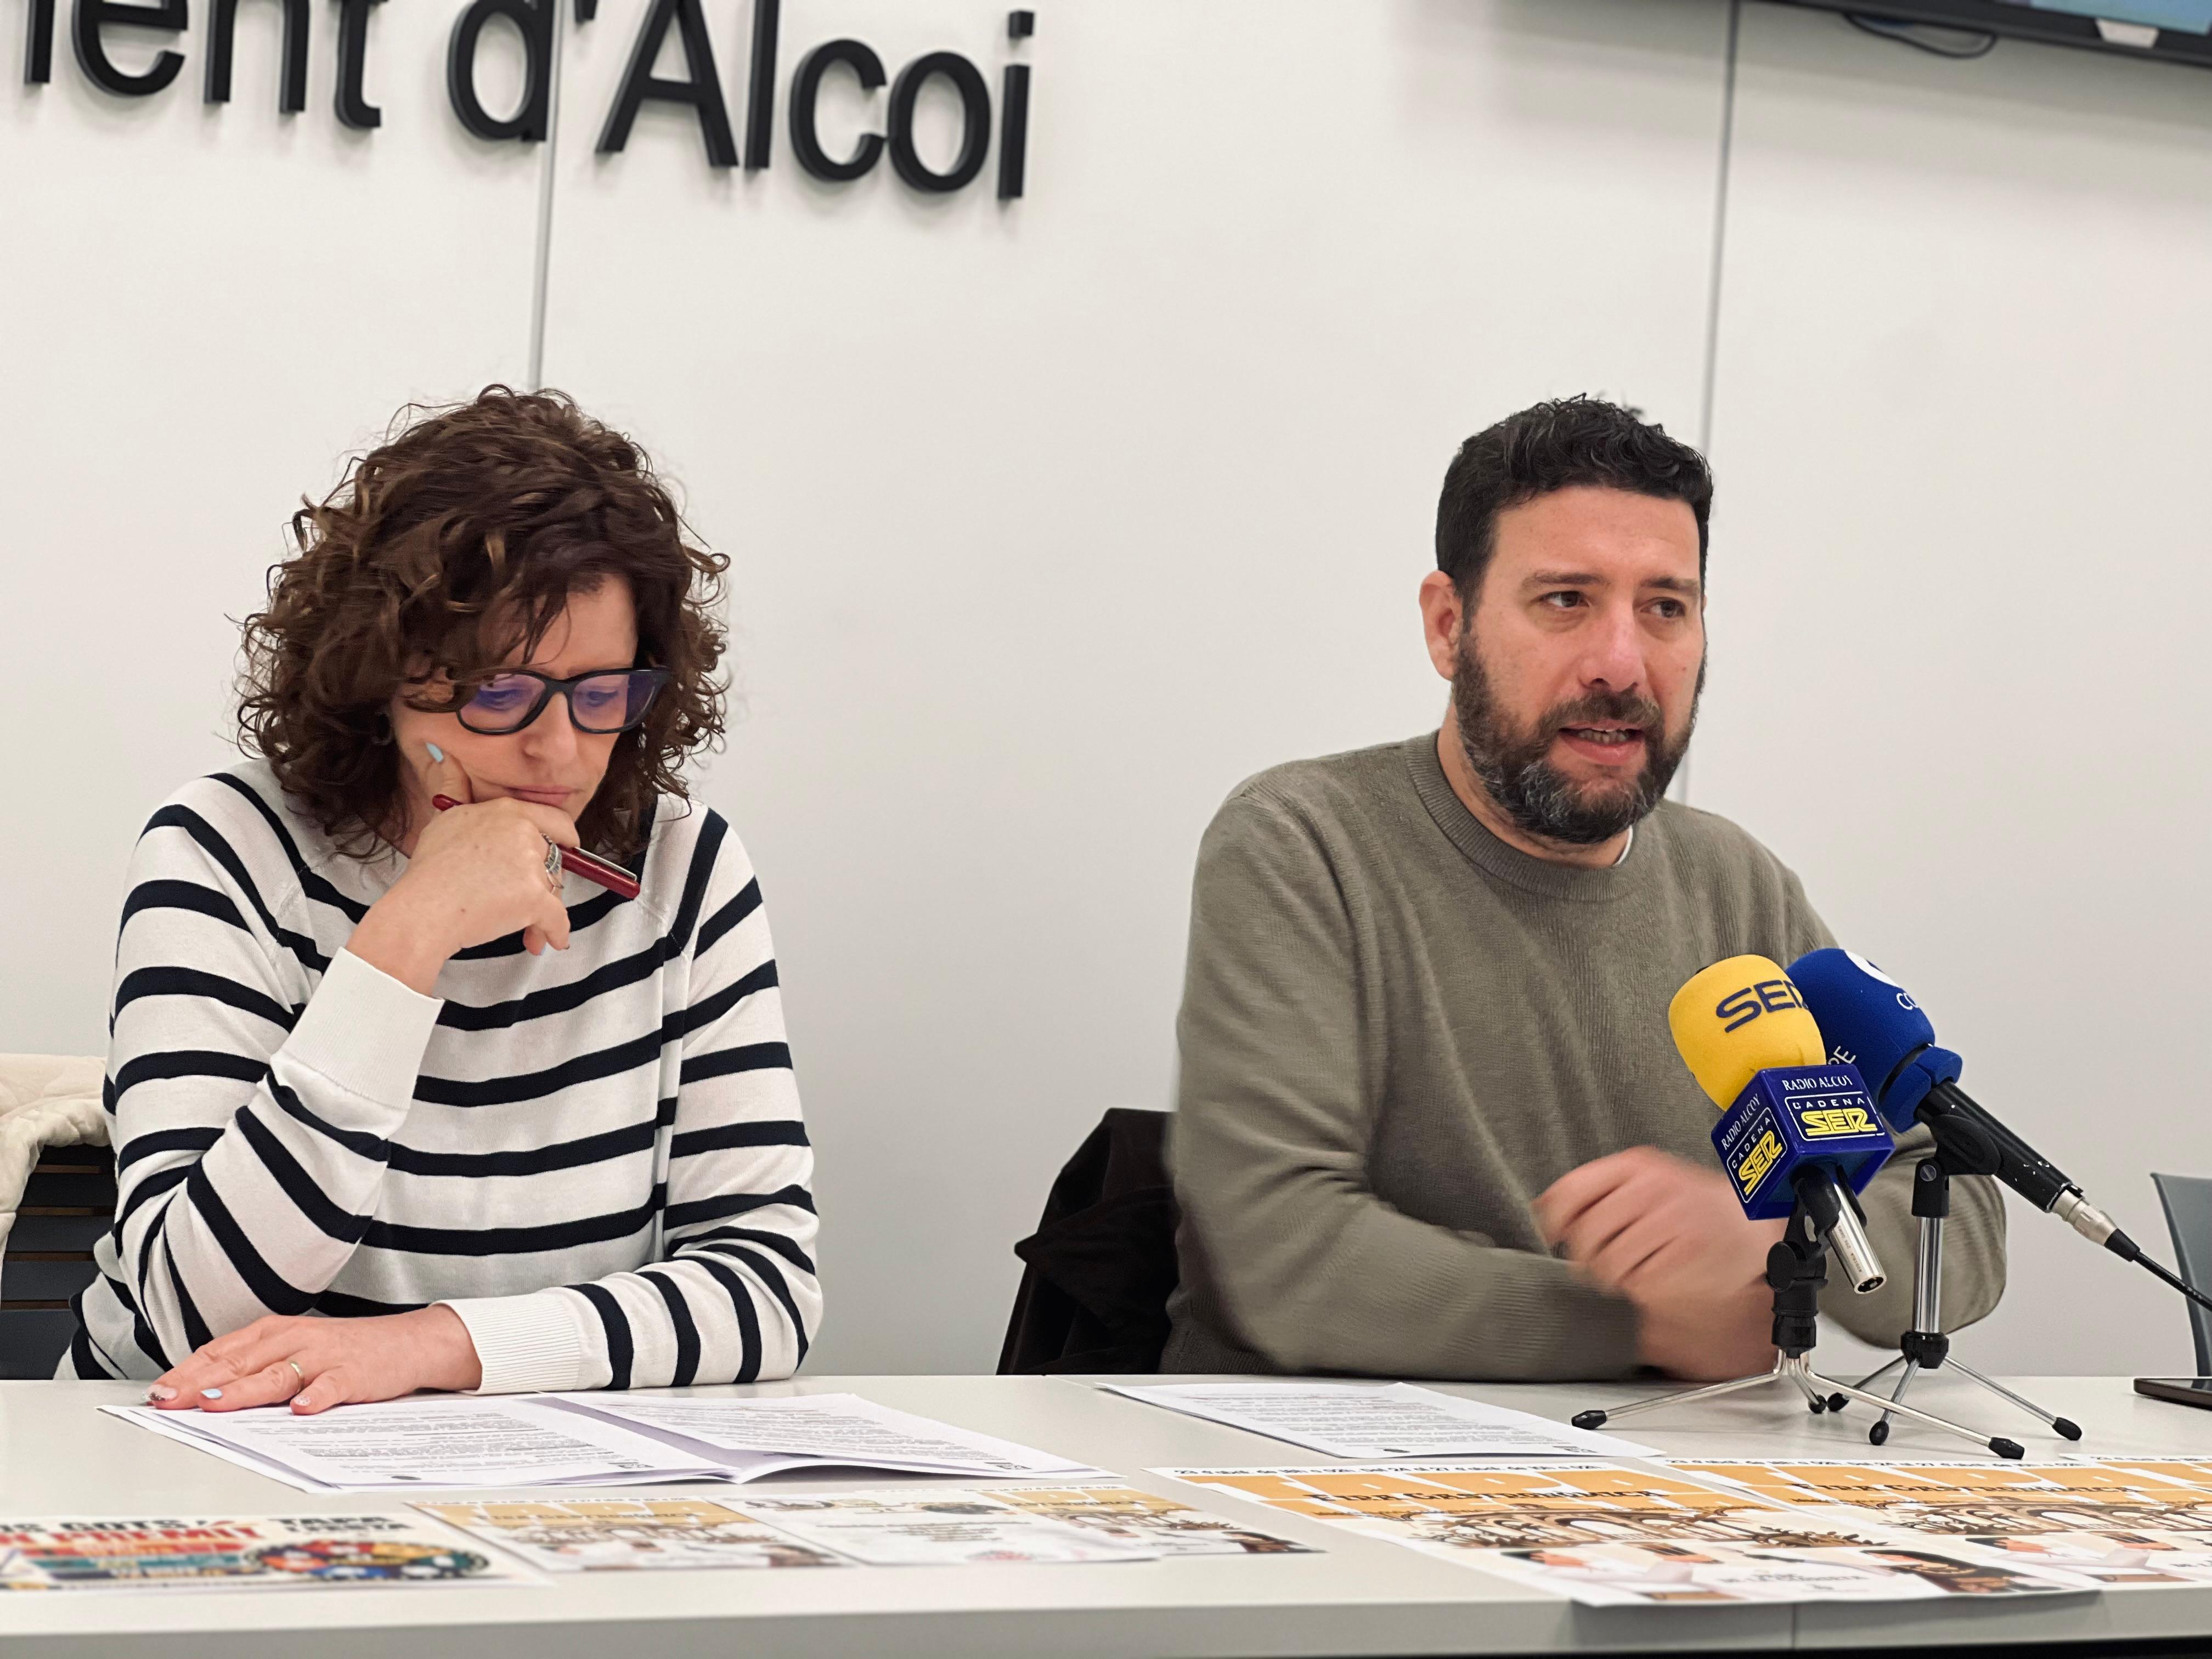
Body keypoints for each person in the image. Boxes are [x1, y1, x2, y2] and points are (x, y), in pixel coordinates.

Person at [1163, 396, 2004, 1381]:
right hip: (1323, 1474)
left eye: (1665, 608)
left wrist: (1777, 1238)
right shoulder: (1305, 845)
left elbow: (1959, 1212)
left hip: (1667, 1487)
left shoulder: (1736, 885)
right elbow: (1281, 1254)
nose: (1622, 663)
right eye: (1566, 600)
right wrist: (1635, 1325)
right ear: (1448, 626)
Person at [63, 387, 818, 1411]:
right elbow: (192, 1318)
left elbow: (766, 1288)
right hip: (185, 1449)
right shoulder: (227, 849)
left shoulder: (683, 870)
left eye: (602, 694)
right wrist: (408, 939)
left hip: (527, 1466)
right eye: (499, 693)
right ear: (380, 674)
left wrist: (438, 1346)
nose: (557, 751)